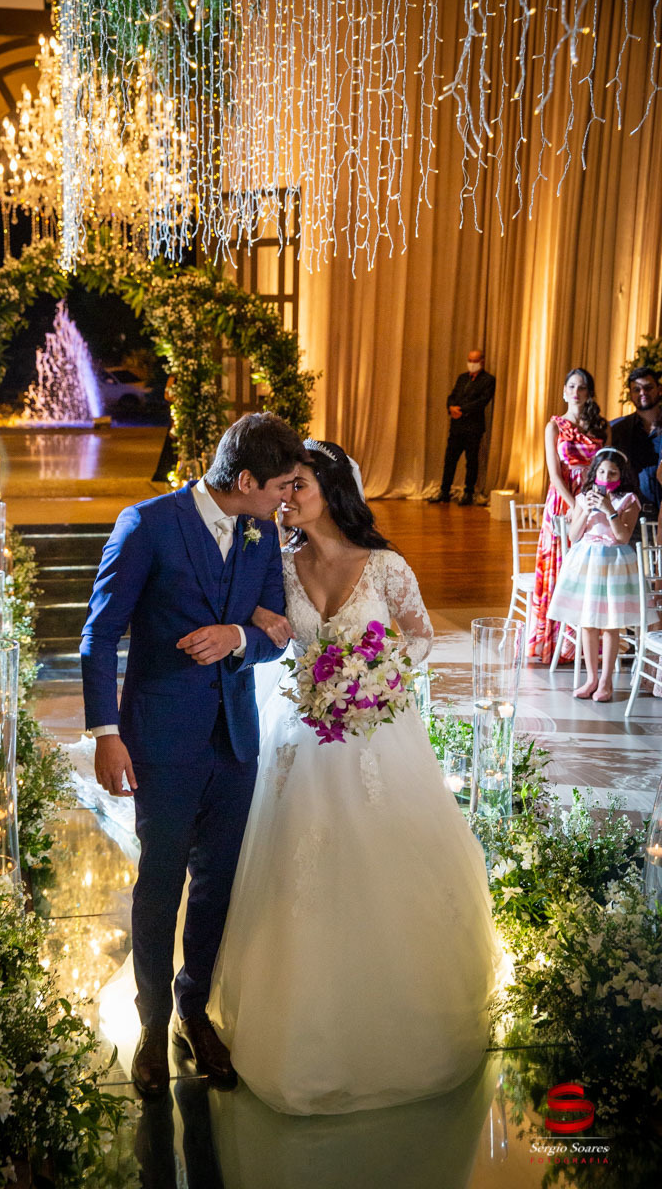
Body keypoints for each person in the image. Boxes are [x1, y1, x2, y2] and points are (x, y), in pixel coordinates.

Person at [209, 439, 504, 1116]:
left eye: (298, 484)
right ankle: (299, 1029)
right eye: (283, 485)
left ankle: (399, 1021)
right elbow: (261, 626)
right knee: (298, 869)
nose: (285, 496)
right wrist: (260, 622)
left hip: (376, 736)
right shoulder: (276, 563)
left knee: (384, 861)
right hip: (300, 738)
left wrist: (376, 675)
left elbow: (421, 636)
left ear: (332, 490)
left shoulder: (386, 565)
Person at [80, 412, 305, 1097]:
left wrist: (238, 635)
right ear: (247, 479)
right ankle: (151, 1024)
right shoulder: (147, 525)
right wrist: (107, 734)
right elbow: (99, 635)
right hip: (161, 739)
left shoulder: (262, 533)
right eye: (282, 486)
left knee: (217, 883)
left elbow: (276, 633)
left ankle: (192, 1007)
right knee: (160, 883)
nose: (288, 499)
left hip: (235, 738)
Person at [548, 449, 643, 702]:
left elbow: (622, 536)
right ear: (595, 473)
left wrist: (609, 509)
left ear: (621, 475)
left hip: (614, 564)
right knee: (588, 623)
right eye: (602, 472)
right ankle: (591, 678)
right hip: (587, 563)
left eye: (612, 473)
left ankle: (605, 681)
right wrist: (587, 509)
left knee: (611, 624)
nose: (606, 477)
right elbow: (573, 535)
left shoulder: (629, 499)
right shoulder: (584, 497)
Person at [528, 368, 608, 663]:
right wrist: (575, 506)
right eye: (571, 386)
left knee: (591, 570)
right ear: (564, 391)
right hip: (564, 501)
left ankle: (587, 645)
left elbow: (607, 467)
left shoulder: (600, 426)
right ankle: (558, 644)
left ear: (589, 392)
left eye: (582, 387)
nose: (576, 392)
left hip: (594, 498)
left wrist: (596, 503)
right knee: (562, 568)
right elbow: (555, 474)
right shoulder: (554, 426)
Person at [429, 349, 496, 505]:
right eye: (469, 360)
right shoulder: (462, 378)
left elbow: (482, 401)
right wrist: (451, 407)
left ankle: (468, 493)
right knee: (449, 460)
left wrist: (462, 410)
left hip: (473, 427)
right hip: (457, 427)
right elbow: (452, 396)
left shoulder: (488, 380)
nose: (471, 364)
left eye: (475, 361)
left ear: (482, 362)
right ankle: (444, 491)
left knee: (471, 461)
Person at [610, 366, 662, 523]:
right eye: (636, 389)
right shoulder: (616, 429)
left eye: (648, 387)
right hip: (631, 518)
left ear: (659, 390)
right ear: (630, 394)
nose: (642, 393)